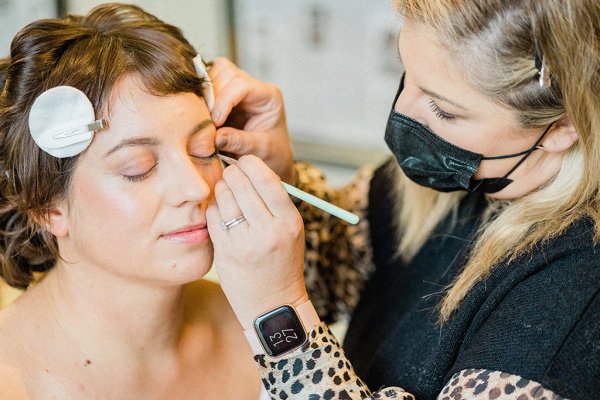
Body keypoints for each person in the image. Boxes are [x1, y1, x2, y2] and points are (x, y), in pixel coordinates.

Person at [205, 0, 600, 398]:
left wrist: (279, 316)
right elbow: (335, 276)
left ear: (560, 127)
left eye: (443, 110)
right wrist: (282, 180)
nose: (401, 110)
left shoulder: (574, 313)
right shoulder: (445, 180)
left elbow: (297, 303)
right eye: (405, 72)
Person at [0, 3, 266, 399]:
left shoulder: (263, 328)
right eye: (137, 168)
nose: (196, 188)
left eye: (204, 149)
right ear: (49, 207)